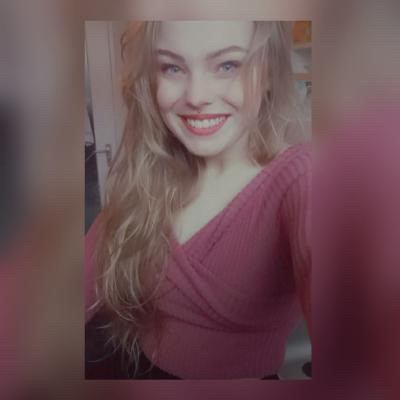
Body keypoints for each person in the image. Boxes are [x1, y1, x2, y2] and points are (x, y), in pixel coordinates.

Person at [85, 21, 311, 380]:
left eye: (228, 65)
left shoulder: (302, 177)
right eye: (172, 67)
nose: (196, 96)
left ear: (268, 73)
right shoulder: (151, 172)